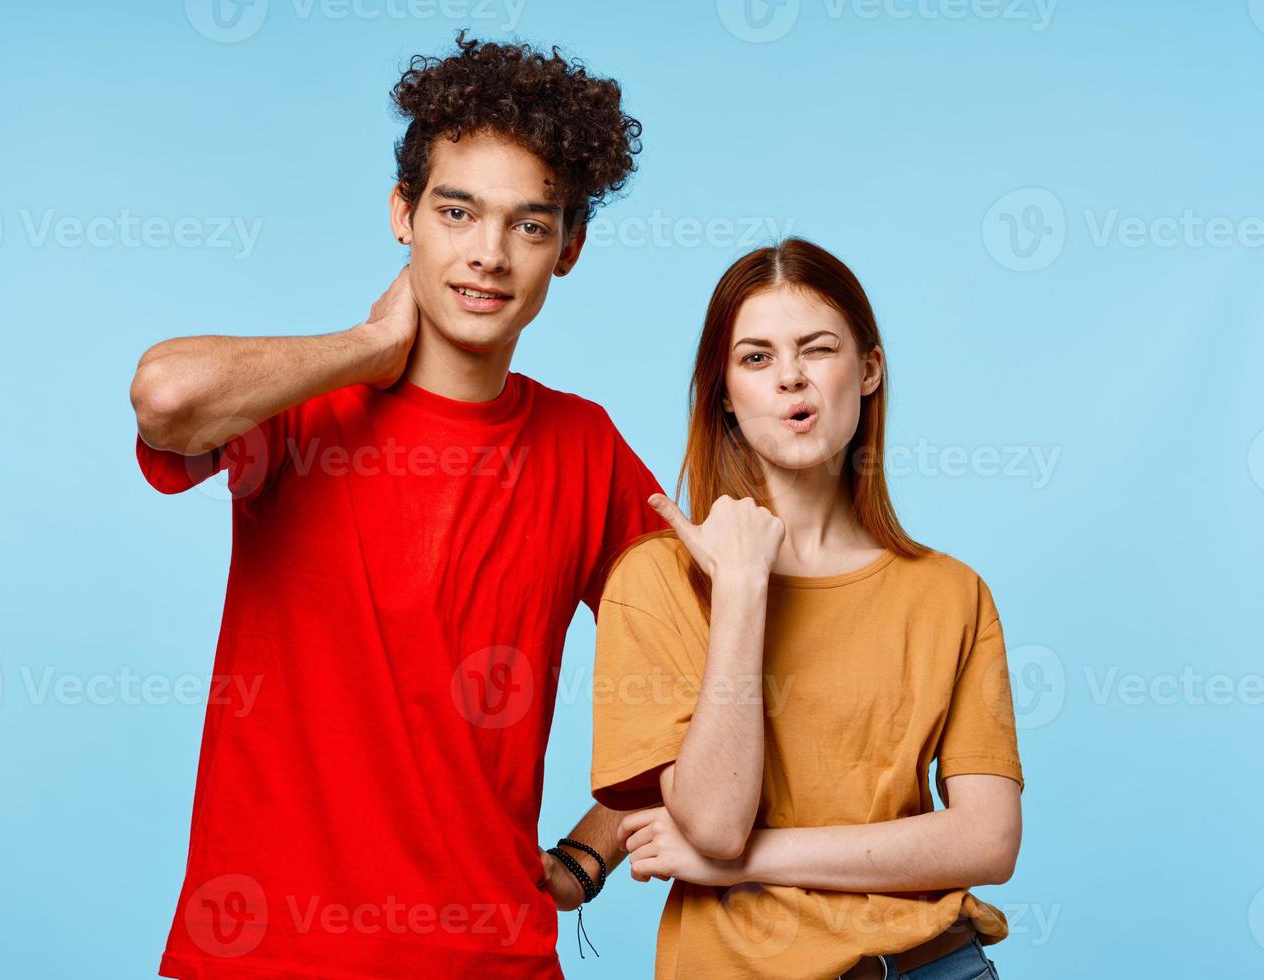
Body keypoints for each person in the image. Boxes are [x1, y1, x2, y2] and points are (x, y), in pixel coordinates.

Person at [130, 32, 664, 979]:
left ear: (569, 248)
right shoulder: (296, 410)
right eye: (457, 212)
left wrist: (592, 849)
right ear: (403, 214)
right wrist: (369, 346)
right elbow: (167, 398)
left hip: (492, 957)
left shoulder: (585, 449)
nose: (489, 256)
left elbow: (721, 658)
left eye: (529, 226)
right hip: (265, 955)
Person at [590, 238, 1024, 980]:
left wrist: (746, 863)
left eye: (816, 349)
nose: (790, 377)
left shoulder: (951, 592)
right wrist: (741, 590)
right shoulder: (655, 581)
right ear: (724, 391)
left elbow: (989, 843)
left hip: (937, 963)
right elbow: (716, 823)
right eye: (755, 358)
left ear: (868, 370)